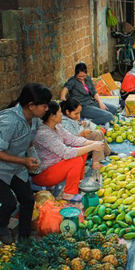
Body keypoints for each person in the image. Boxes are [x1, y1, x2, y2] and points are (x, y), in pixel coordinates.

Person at [0, 84, 52, 244]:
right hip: (2, 169)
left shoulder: (34, 120)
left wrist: (32, 158)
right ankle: (2, 227)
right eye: (44, 105)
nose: (47, 109)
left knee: (28, 199)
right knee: (8, 202)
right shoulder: (9, 122)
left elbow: (29, 143)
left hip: (16, 169)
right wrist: (24, 160)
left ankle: (24, 237)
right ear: (31, 106)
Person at [33, 101, 104, 202]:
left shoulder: (56, 126)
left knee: (81, 150)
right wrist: (92, 146)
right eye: (60, 112)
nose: (62, 114)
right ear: (52, 116)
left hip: (57, 166)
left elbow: (72, 139)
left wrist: (91, 143)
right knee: (75, 160)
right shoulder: (44, 134)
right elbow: (66, 153)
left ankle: (77, 182)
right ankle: (69, 194)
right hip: (44, 174)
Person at [61, 98, 112, 171]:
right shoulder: (64, 123)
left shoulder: (72, 118)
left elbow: (79, 127)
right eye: (76, 113)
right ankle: (96, 163)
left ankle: (106, 152)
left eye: (79, 113)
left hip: (81, 140)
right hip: (75, 146)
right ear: (67, 112)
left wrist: (84, 124)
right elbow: (69, 140)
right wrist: (81, 134)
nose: (78, 115)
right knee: (97, 134)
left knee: (99, 132)